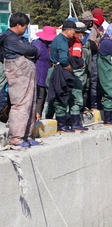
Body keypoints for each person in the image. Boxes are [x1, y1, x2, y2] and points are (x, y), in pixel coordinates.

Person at [0, 12, 40, 148]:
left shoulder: (17, 37)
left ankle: (26, 135)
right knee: (20, 104)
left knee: (30, 104)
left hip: (26, 73)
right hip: (18, 74)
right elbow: (31, 49)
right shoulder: (10, 39)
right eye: (24, 26)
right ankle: (16, 137)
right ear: (18, 25)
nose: (25, 29)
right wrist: (32, 51)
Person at [49, 20, 77, 132]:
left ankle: (53, 121)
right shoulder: (62, 41)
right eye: (74, 31)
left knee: (55, 97)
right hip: (58, 71)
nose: (74, 33)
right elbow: (64, 60)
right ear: (68, 30)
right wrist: (69, 67)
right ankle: (61, 125)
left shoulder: (61, 39)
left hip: (54, 69)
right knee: (61, 96)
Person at [33, 26, 56, 119]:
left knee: (43, 100)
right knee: (39, 99)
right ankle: (35, 119)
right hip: (38, 76)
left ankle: (39, 118)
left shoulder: (46, 45)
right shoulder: (37, 45)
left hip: (44, 75)